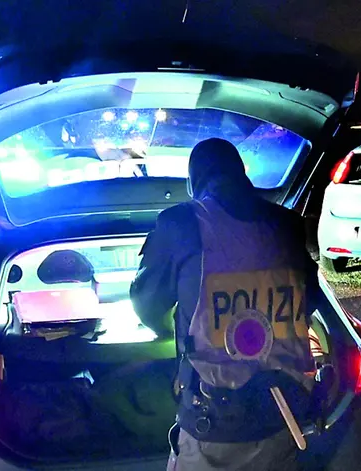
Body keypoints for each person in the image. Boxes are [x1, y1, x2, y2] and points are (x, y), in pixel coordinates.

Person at [130, 138, 321, 471]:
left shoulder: (182, 223)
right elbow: (311, 300)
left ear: (193, 183)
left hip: (213, 429)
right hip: (285, 419)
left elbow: (146, 305)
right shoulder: (286, 224)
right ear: (241, 174)